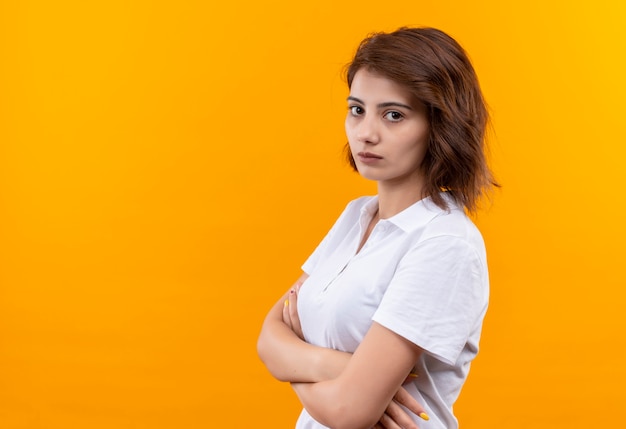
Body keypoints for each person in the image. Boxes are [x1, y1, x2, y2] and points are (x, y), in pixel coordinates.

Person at [257, 27, 498, 429]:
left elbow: (351, 413)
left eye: (394, 115)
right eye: (357, 109)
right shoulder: (358, 215)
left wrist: (294, 366)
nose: (366, 133)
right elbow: (268, 337)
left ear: (441, 125)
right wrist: (336, 367)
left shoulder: (446, 244)